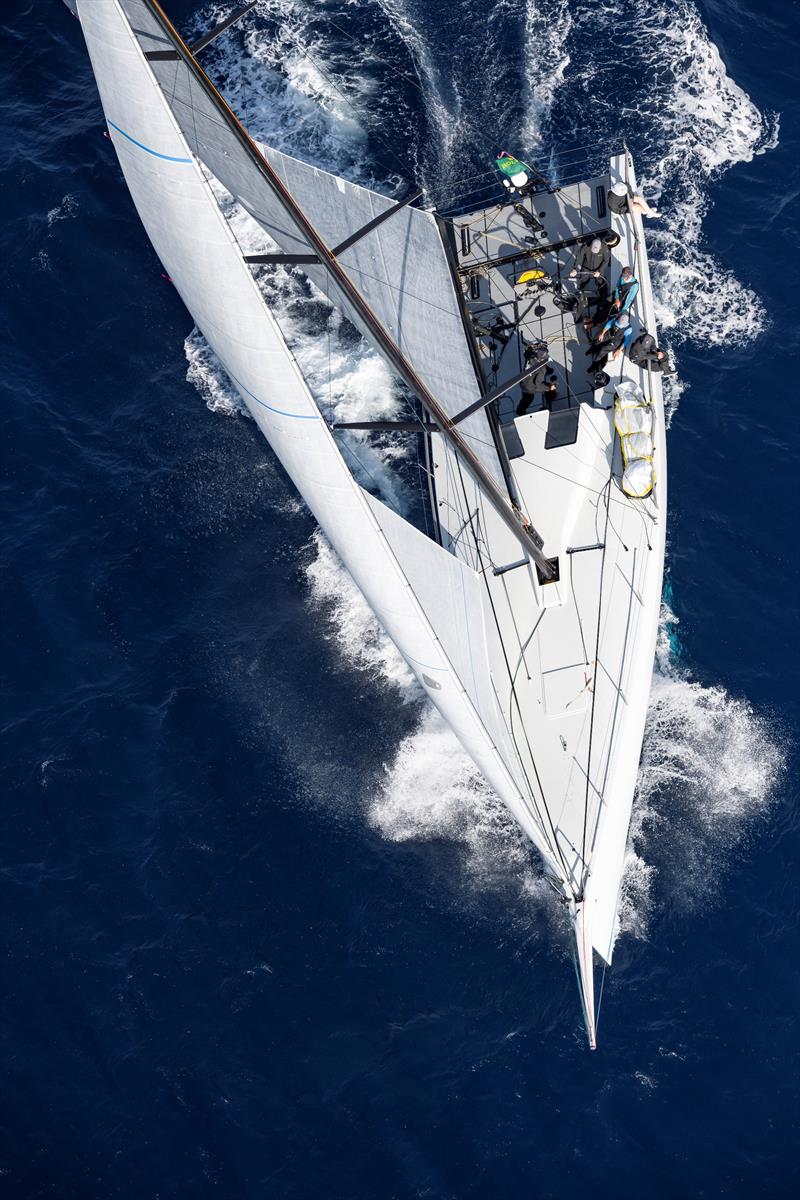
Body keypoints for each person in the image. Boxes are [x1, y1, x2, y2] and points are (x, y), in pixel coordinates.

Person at [516, 342, 557, 416]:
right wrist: (549, 387)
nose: (545, 354)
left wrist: (533, 347)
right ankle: (551, 398)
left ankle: (520, 410)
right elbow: (538, 385)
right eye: (544, 352)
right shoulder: (541, 369)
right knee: (528, 399)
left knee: (526, 398)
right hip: (530, 388)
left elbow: (527, 352)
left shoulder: (531, 358)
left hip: (524, 382)